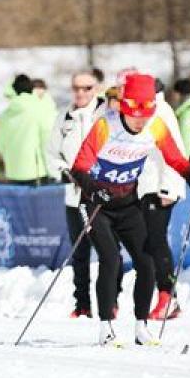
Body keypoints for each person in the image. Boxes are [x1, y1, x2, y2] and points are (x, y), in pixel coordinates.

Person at [70, 73, 190, 347]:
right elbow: (79, 168)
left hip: (127, 202)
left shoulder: (155, 126)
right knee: (111, 260)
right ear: (125, 108)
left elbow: (175, 158)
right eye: (135, 116)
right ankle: (106, 327)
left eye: (145, 115)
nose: (140, 121)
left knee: (147, 262)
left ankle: (141, 327)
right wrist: (92, 189)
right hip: (96, 203)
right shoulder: (105, 126)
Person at [46, 69, 111, 318]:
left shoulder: (107, 113)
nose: (81, 93)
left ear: (96, 89)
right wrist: (63, 172)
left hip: (104, 193)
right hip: (75, 194)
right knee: (79, 251)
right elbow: (52, 153)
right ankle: (82, 304)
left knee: (108, 251)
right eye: (76, 88)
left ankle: (110, 301)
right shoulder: (64, 116)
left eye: (86, 88)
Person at [138, 77, 188, 321]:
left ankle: (169, 297)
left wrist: (168, 188)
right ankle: (163, 296)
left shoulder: (162, 111)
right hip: (145, 186)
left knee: (156, 242)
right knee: (147, 243)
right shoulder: (144, 111)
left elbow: (175, 150)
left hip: (160, 187)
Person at [0, 74, 55, 185]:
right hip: (36, 172)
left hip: (12, 172)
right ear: (31, 89)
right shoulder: (39, 108)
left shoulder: (5, 114)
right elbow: (46, 140)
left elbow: (1, 145)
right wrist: (53, 171)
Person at [172, 78, 190, 156]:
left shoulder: (186, 115)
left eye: (174, 92)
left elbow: (186, 144)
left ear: (179, 93)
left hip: (189, 160)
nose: (173, 95)